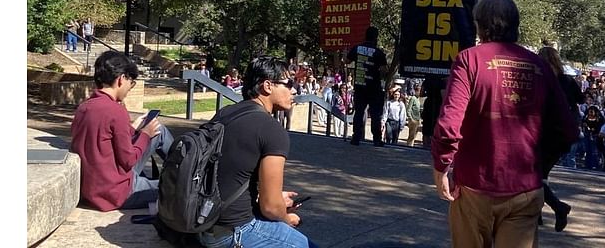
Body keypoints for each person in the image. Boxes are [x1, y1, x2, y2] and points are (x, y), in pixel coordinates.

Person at [430, 0, 578, 248]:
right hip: (524, 189)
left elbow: (448, 125)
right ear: (516, 26)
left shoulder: (469, 60)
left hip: (474, 188)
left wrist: (441, 167)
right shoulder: (539, 66)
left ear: (480, 25)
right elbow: (567, 130)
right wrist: (538, 164)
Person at [200, 56, 317, 248]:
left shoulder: (225, 113)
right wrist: (286, 218)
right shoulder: (271, 129)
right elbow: (270, 207)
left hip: (203, 223)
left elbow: (230, 175)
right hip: (234, 231)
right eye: (288, 83)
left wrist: (277, 197)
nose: (294, 89)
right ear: (268, 86)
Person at [70, 51, 174, 211]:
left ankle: (186, 173)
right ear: (121, 79)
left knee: (159, 130)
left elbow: (103, 143)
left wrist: (132, 129)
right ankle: (190, 175)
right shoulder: (115, 111)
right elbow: (128, 160)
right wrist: (145, 134)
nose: (130, 88)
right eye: (131, 82)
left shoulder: (83, 108)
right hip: (118, 193)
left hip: (92, 189)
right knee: (180, 190)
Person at [536, 46, 583, 231]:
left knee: (533, 175)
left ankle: (558, 207)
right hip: (565, 135)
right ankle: (537, 213)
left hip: (547, 133)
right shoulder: (567, 80)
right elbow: (581, 99)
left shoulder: (543, 79)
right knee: (542, 175)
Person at [346, 26, 388, 147]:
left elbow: (347, 61)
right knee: (375, 114)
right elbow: (384, 70)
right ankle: (376, 139)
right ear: (376, 37)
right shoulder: (379, 52)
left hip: (360, 85)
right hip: (374, 87)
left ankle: (356, 138)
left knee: (359, 112)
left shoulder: (357, 48)